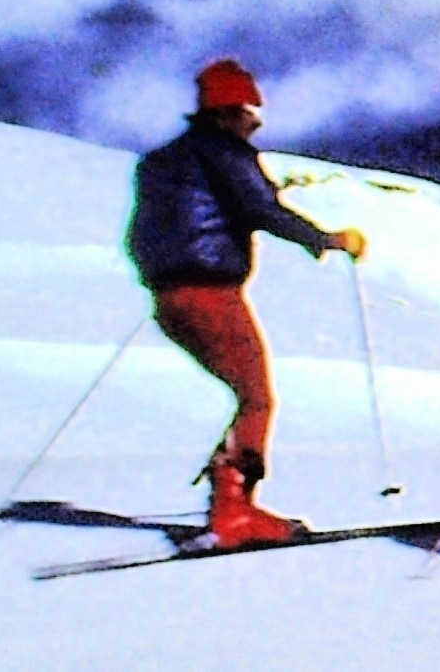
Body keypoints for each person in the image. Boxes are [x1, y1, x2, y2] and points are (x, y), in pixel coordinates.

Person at [126, 58, 366, 548]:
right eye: (249, 111)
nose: (255, 122)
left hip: (169, 294)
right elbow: (261, 208)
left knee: (246, 394)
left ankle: (230, 500)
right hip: (211, 291)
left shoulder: (159, 163)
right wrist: (325, 239)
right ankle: (234, 513)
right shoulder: (225, 153)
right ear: (228, 111)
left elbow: (141, 233)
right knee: (257, 396)